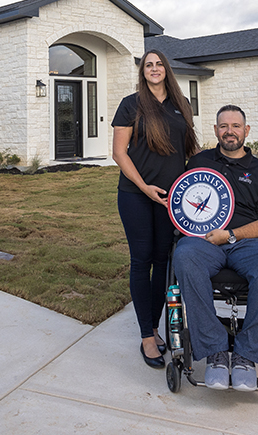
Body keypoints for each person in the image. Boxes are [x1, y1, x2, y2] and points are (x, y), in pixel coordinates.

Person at [172, 104, 258, 392]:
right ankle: (216, 351)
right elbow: (181, 201)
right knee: (184, 255)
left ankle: (247, 355)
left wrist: (231, 235)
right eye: (224, 126)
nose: (229, 131)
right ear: (215, 130)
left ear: (246, 130)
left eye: (236, 126)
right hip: (204, 241)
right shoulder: (199, 163)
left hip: (247, 242)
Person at [111, 49, 198, 369]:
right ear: (143, 72)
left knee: (164, 261)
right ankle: (147, 336)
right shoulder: (130, 105)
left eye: (159, 64)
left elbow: (189, 148)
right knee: (142, 260)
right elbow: (119, 153)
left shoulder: (181, 104)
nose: (154, 68)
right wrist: (144, 186)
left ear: (166, 69)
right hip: (135, 195)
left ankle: (155, 327)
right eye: (148, 65)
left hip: (171, 198)